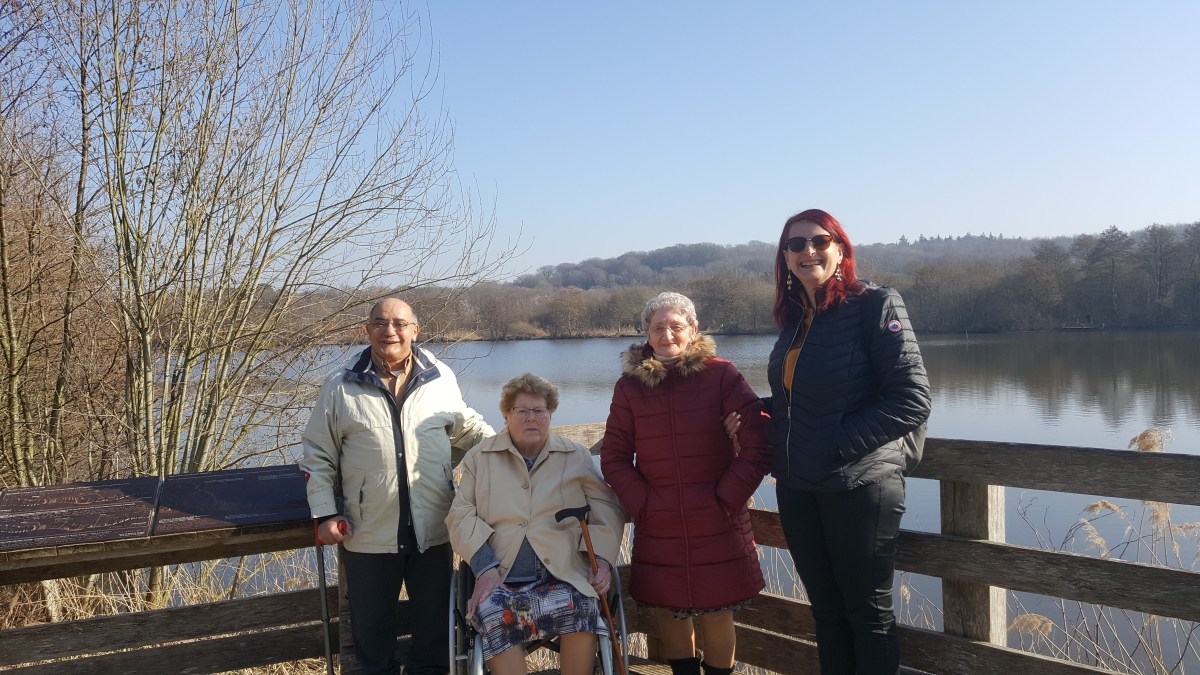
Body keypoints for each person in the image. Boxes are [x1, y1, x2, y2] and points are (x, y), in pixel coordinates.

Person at [762, 209, 931, 674]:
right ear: (785, 257)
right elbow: (798, 400)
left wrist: (835, 444)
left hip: (860, 485)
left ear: (840, 248)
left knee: (867, 615)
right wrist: (753, 411)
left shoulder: (875, 303)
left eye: (819, 240)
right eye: (795, 245)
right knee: (827, 612)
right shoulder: (797, 318)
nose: (807, 251)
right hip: (799, 487)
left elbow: (912, 399)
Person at [300, 298, 494, 675]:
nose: (389, 331)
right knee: (372, 647)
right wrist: (325, 513)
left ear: (415, 330)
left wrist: (513, 454)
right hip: (367, 531)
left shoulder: (439, 376)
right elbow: (317, 454)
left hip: (435, 530)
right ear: (367, 329)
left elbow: (466, 429)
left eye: (399, 323)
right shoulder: (340, 385)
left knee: (436, 643)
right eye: (379, 322)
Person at [601, 292, 772, 675]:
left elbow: (759, 444)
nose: (667, 335)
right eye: (658, 327)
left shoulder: (722, 374)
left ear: (693, 330)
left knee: (718, 611)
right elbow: (613, 457)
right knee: (670, 611)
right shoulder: (629, 387)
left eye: (676, 327)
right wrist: (643, 502)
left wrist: (726, 498)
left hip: (717, 518)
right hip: (659, 520)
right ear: (646, 332)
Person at [446, 373, 625, 675]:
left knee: (583, 607)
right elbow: (459, 515)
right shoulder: (481, 457)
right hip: (501, 577)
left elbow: (606, 508)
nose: (532, 418)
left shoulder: (574, 455)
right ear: (506, 415)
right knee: (492, 614)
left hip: (563, 575)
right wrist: (485, 568)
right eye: (522, 411)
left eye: (539, 411)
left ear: (550, 414)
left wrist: (604, 561)